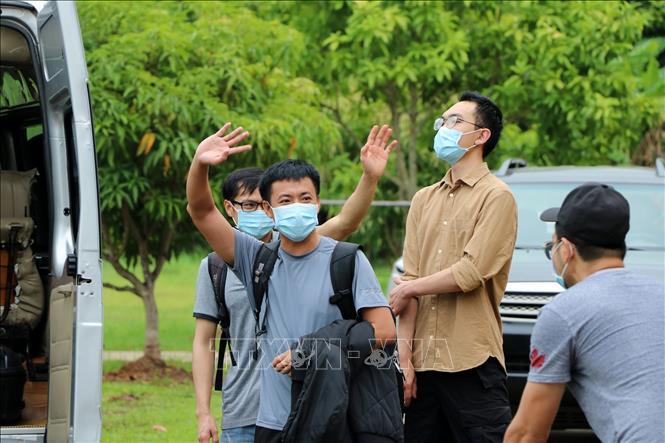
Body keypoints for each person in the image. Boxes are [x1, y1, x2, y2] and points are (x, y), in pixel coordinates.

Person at [187, 123, 397, 443]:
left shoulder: (346, 259)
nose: (296, 206)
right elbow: (202, 212)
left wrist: (311, 349)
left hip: (333, 417)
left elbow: (384, 331)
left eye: (305, 198)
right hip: (272, 421)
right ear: (269, 210)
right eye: (285, 201)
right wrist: (199, 165)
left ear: (317, 204)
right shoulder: (255, 260)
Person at [389, 91, 517, 442]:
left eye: (455, 121)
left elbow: (470, 273)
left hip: (472, 361)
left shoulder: (497, 196)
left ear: (481, 135)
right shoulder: (423, 199)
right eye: (442, 121)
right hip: (424, 365)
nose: (444, 128)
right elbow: (409, 279)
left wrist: (410, 287)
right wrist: (405, 360)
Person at [504, 183, 665, 443]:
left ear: (566, 249)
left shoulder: (563, 312)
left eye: (551, 246)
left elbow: (526, 434)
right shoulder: (660, 293)